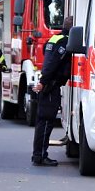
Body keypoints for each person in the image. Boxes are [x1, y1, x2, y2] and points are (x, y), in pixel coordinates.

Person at [31, 16, 73, 166]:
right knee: (46, 121)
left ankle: (38, 155)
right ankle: (41, 156)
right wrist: (43, 82)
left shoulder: (54, 38)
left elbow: (46, 56)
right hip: (51, 86)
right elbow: (52, 63)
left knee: (43, 121)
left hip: (49, 84)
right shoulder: (65, 42)